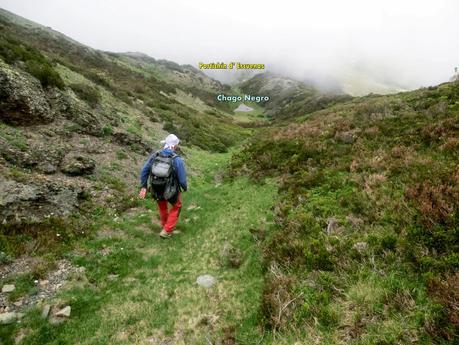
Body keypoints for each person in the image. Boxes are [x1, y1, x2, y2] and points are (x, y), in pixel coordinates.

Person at [139, 134, 187, 238]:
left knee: (162, 206)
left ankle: (164, 226)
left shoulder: (155, 155)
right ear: (175, 146)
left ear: (165, 144)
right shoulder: (176, 159)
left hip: (156, 186)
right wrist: (184, 187)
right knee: (177, 206)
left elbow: (144, 171)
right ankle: (167, 230)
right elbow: (182, 179)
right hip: (171, 189)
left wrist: (144, 186)